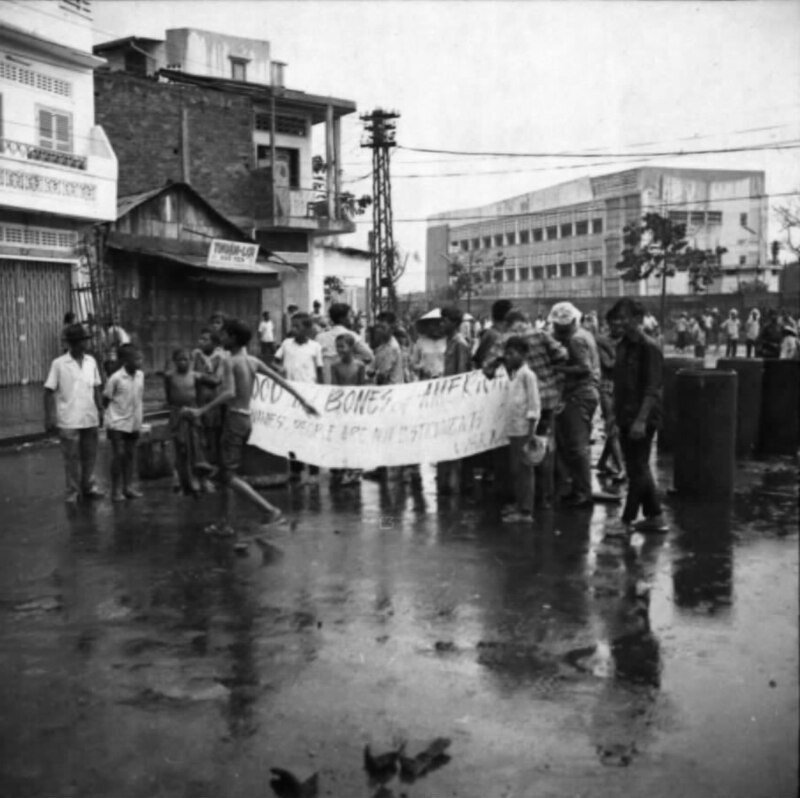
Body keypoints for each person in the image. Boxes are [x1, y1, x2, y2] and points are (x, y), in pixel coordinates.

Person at [181, 318, 319, 532]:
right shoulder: (252, 361)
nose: (221, 338)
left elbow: (229, 392)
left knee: (228, 475)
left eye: (225, 334)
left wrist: (200, 410)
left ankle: (269, 511)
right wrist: (303, 401)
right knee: (229, 472)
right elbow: (281, 380)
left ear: (233, 338)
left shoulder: (230, 362)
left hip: (234, 419)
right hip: (247, 419)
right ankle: (224, 523)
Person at [606, 298, 666, 534]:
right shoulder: (622, 346)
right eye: (616, 318)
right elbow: (619, 385)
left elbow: (653, 389)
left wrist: (641, 420)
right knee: (637, 467)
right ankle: (655, 516)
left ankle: (626, 521)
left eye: (624, 318)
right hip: (624, 415)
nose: (619, 323)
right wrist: (612, 416)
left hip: (643, 417)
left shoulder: (649, 347)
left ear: (638, 320)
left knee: (637, 469)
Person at [505, 310, 567, 508]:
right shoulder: (542, 335)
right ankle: (544, 498)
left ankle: (531, 502)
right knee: (544, 451)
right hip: (548, 399)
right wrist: (554, 376)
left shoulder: (513, 345)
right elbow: (563, 354)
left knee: (529, 455)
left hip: (532, 409)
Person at [44, 323, 105, 503]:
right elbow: (48, 391)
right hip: (68, 417)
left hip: (89, 415)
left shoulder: (91, 362)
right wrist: (49, 416)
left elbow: (96, 388)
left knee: (90, 454)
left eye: (84, 341)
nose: (83, 345)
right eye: (79, 342)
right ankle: (73, 490)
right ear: (71, 343)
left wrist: (100, 409)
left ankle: (88, 485)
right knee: (71, 457)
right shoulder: (59, 364)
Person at [549, 301, 600, 508]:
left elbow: (584, 368)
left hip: (580, 394)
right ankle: (579, 489)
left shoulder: (576, 340)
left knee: (577, 447)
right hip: (584, 394)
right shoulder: (584, 334)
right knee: (574, 445)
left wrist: (559, 369)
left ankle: (582, 493)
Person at [274, 312, 324, 483]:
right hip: (290, 395)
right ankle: (296, 469)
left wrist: (321, 394)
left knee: (310, 433)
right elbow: (275, 362)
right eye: (292, 326)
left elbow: (319, 371)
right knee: (292, 433)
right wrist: (279, 369)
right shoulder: (286, 344)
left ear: (308, 329)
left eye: (297, 326)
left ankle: (314, 471)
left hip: (310, 395)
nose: (293, 329)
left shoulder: (315, 347)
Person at [499, 336, 540, 524]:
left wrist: (532, 432)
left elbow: (534, 405)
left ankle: (526, 511)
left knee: (525, 471)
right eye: (506, 353)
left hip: (524, 430)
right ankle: (519, 504)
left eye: (512, 353)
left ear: (523, 354)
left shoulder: (528, 376)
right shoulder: (515, 374)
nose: (508, 357)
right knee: (517, 470)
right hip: (514, 430)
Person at [165, 349, 215, 495]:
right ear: (174, 362)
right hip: (177, 414)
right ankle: (182, 481)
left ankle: (200, 480)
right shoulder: (169, 376)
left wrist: (198, 411)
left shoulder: (195, 376)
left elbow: (203, 392)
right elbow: (169, 396)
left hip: (193, 412)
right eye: (180, 360)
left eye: (186, 359)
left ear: (191, 361)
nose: (183, 363)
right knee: (181, 448)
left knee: (197, 445)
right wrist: (175, 410)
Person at [437, 306, 472, 494]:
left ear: (454, 323)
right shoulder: (449, 342)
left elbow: (461, 376)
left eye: (445, 320)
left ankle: (455, 484)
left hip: (455, 402)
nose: (442, 324)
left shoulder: (460, 343)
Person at [104, 343, 144, 502]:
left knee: (130, 454)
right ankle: (115, 490)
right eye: (137, 359)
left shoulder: (140, 375)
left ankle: (128, 487)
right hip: (117, 422)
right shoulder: (115, 378)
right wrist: (110, 416)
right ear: (126, 361)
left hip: (134, 420)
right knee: (118, 455)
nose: (140, 361)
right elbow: (106, 399)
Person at [330, 333, 366, 488]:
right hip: (342, 408)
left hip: (355, 408)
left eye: (342, 346)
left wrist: (359, 407)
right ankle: (344, 467)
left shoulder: (359, 366)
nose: (339, 350)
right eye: (337, 347)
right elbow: (335, 386)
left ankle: (355, 469)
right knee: (341, 439)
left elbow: (361, 387)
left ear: (351, 348)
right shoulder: (335, 366)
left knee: (355, 439)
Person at [594, 322, 626, 481]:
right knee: (612, 427)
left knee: (615, 427)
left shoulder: (626, 341)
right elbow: (609, 364)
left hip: (622, 387)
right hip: (607, 387)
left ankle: (602, 462)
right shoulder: (601, 341)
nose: (619, 328)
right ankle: (621, 467)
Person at [192, 328, 225, 474]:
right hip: (198, 400)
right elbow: (188, 374)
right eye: (200, 339)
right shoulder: (195, 356)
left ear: (215, 343)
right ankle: (201, 463)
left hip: (214, 402)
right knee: (199, 433)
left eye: (205, 340)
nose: (201, 342)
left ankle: (214, 465)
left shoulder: (221, 358)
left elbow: (216, 380)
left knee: (213, 433)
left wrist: (198, 375)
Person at [316, 302, 374, 383]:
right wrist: (351, 358)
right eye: (350, 316)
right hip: (346, 380)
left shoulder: (320, 337)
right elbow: (369, 355)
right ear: (342, 318)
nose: (352, 319)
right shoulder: (353, 336)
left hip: (326, 380)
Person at [368, 311, 405, 386]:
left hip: (391, 390)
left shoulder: (391, 348)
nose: (379, 330)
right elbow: (372, 367)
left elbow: (382, 376)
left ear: (391, 328)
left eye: (383, 327)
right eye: (378, 327)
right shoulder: (382, 345)